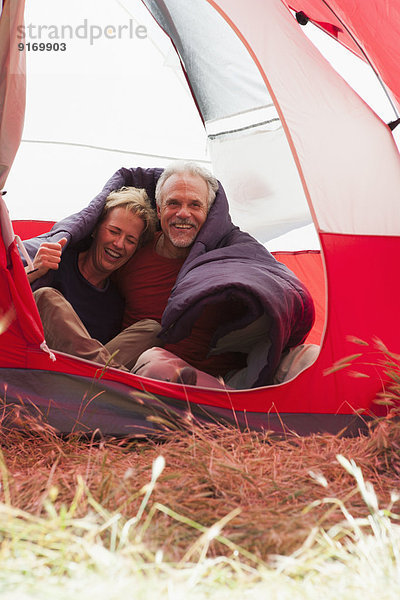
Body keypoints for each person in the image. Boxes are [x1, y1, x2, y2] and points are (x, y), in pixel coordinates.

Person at [112, 162, 316, 388]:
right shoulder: (132, 250)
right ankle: (236, 416)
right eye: (173, 203)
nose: (183, 213)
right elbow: (89, 278)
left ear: (209, 214)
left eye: (195, 205)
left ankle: (236, 408)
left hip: (234, 381)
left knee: (310, 357)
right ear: (159, 209)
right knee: (155, 363)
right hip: (165, 379)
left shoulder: (232, 249)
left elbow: (282, 290)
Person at [26, 186, 160, 369]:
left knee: (152, 330)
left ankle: (108, 376)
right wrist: (34, 270)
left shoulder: (114, 304)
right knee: (46, 296)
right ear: (95, 229)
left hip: (78, 381)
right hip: (41, 364)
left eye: (130, 240)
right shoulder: (58, 260)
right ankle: (118, 378)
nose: (119, 244)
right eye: (114, 231)